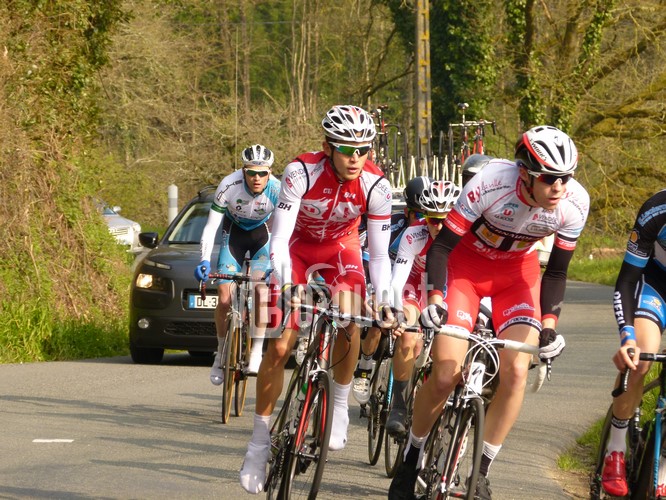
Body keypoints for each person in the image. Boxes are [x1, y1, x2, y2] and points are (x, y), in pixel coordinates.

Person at [388, 125, 590, 500]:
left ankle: (480, 473)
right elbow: (441, 248)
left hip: (517, 276)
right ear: (525, 173)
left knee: (516, 371)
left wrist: (549, 326)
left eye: (566, 177)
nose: (559, 187)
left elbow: (556, 272)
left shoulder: (575, 203)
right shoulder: (491, 183)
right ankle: (411, 459)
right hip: (465, 271)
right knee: (445, 375)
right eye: (549, 178)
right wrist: (435, 301)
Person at [239, 105, 396, 494]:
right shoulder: (301, 172)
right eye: (347, 149)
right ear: (328, 147)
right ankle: (259, 443)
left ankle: (339, 403)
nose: (356, 158)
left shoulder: (376, 186)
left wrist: (385, 300)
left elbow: (379, 256)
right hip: (295, 249)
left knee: (351, 316)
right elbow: (279, 237)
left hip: (341, 251)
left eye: (364, 150)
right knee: (279, 346)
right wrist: (287, 285)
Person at [194, 144, 280, 385]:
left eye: (262, 173)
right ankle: (220, 353)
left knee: (261, 291)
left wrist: (280, 261)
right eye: (251, 172)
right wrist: (203, 259)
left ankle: (257, 351)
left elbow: (285, 229)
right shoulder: (229, 185)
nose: (257, 178)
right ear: (243, 171)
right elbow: (211, 226)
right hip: (234, 235)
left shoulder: (277, 189)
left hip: (263, 236)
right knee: (224, 297)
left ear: (270, 173)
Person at [601, 189, 666, 497]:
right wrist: (628, 336)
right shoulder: (657, 209)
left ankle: (662, 468)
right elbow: (626, 280)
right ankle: (615, 451)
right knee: (641, 358)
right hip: (655, 284)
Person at [384, 178, 461, 435]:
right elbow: (397, 280)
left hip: (451, 290)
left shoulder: (467, 237)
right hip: (415, 287)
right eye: (432, 219)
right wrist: (396, 312)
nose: (438, 226)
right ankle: (399, 405)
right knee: (407, 335)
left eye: (445, 220)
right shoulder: (414, 234)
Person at [351, 177, 430, 405]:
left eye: (428, 215)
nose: (423, 221)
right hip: (385, 280)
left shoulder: (431, 232)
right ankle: (365, 366)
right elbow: (371, 260)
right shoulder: (392, 226)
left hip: (415, 286)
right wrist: (373, 291)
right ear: (407, 212)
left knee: (419, 336)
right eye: (418, 214)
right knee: (378, 321)